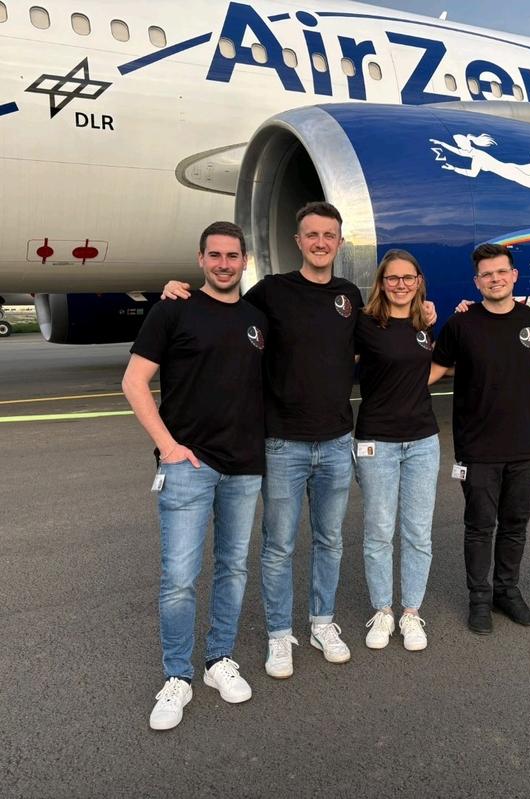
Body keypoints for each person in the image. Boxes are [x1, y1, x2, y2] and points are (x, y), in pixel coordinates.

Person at [162, 203, 437, 678]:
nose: (320, 243)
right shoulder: (271, 291)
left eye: (329, 235)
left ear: (339, 243)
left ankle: (322, 622)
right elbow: (223, 305)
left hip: (335, 441)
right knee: (279, 545)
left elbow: (387, 331)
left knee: (330, 541)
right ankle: (278, 634)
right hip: (282, 443)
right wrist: (178, 294)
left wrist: (425, 314)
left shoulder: (350, 296)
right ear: (299, 240)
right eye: (312, 234)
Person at [122, 221, 266, 730]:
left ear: (245, 260)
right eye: (215, 255)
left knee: (232, 569)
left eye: (233, 255)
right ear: (201, 259)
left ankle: (218, 660)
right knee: (180, 579)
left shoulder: (257, 318)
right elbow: (134, 381)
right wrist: (168, 448)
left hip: (245, 465)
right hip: (188, 465)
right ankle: (177, 677)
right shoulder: (173, 309)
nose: (225, 263)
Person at [430, 243, 530, 634]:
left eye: (501, 272)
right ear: (476, 281)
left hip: (526, 446)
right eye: (486, 274)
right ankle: (478, 598)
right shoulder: (461, 324)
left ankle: (506, 592)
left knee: (516, 524)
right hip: (477, 448)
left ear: (514, 276)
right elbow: (433, 369)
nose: (495, 279)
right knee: (480, 525)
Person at [354, 250, 439, 652]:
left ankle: (410, 613)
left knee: (418, 532)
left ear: (419, 281)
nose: (401, 285)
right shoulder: (364, 323)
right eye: (393, 278)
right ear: (382, 282)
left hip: (423, 440)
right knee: (379, 531)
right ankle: (383, 611)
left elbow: (435, 367)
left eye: (408, 278)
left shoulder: (426, 323)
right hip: (376, 441)